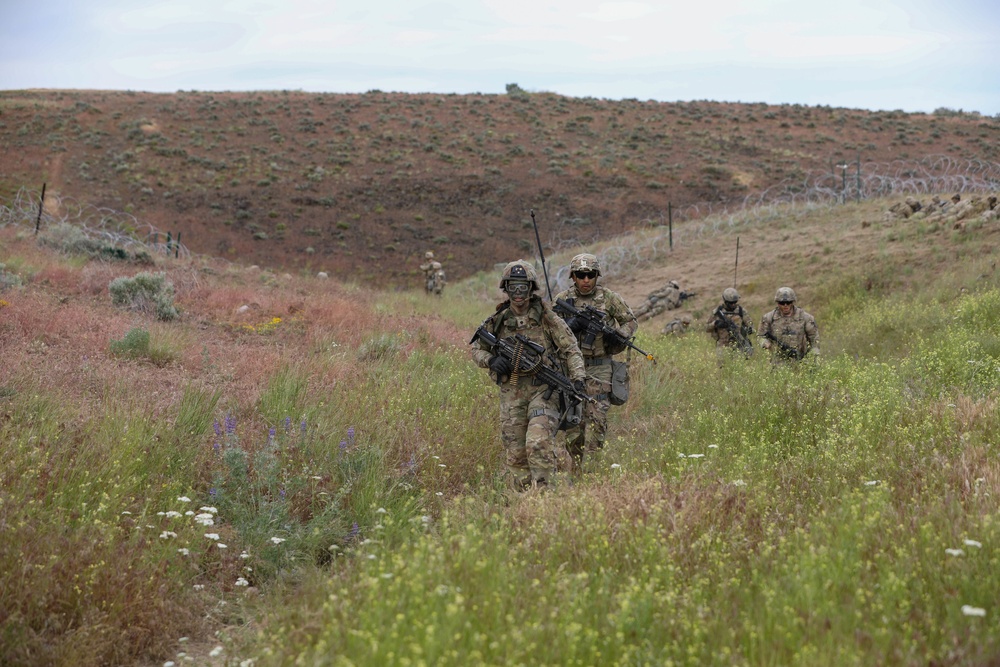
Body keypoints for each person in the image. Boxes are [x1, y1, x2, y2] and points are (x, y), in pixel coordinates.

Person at [471, 260, 586, 490]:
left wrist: (578, 379)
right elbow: (476, 349)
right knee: (516, 455)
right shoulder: (498, 320)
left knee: (538, 441)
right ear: (506, 288)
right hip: (511, 394)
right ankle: (522, 504)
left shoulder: (548, 318)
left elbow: (571, 349)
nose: (518, 293)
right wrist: (492, 360)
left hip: (543, 391)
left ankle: (545, 497)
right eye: (513, 287)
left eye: (523, 287)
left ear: (531, 288)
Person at [554, 253, 638, 472]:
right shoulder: (562, 299)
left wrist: (618, 335)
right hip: (571, 366)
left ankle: (592, 470)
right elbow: (549, 330)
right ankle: (577, 469)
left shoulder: (609, 298)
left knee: (597, 418)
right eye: (581, 275)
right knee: (574, 424)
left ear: (597, 276)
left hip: (600, 366)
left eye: (590, 275)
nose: (586, 280)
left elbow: (630, 322)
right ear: (573, 276)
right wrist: (570, 326)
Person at [758, 287, 818, 362]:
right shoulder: (768, 318)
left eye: (788, 302)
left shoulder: (805, 318)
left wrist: (813, 358)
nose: (785, 305)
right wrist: (765, 343)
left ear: (793, 302)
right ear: (777, 303)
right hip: (777, 361)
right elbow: (761, 336)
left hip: (800, 359)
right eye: (782, 303)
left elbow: (814, 339)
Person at [707, 288, 754, 357]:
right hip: (722, 346)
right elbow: (707, 328)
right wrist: (715, 323)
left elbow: (751, 326)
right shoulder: (717, 312)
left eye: (735, 302)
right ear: (725, 301)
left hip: (738, 345)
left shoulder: (741, 311)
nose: (733, 304)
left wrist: (749, 329)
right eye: (731, 303)